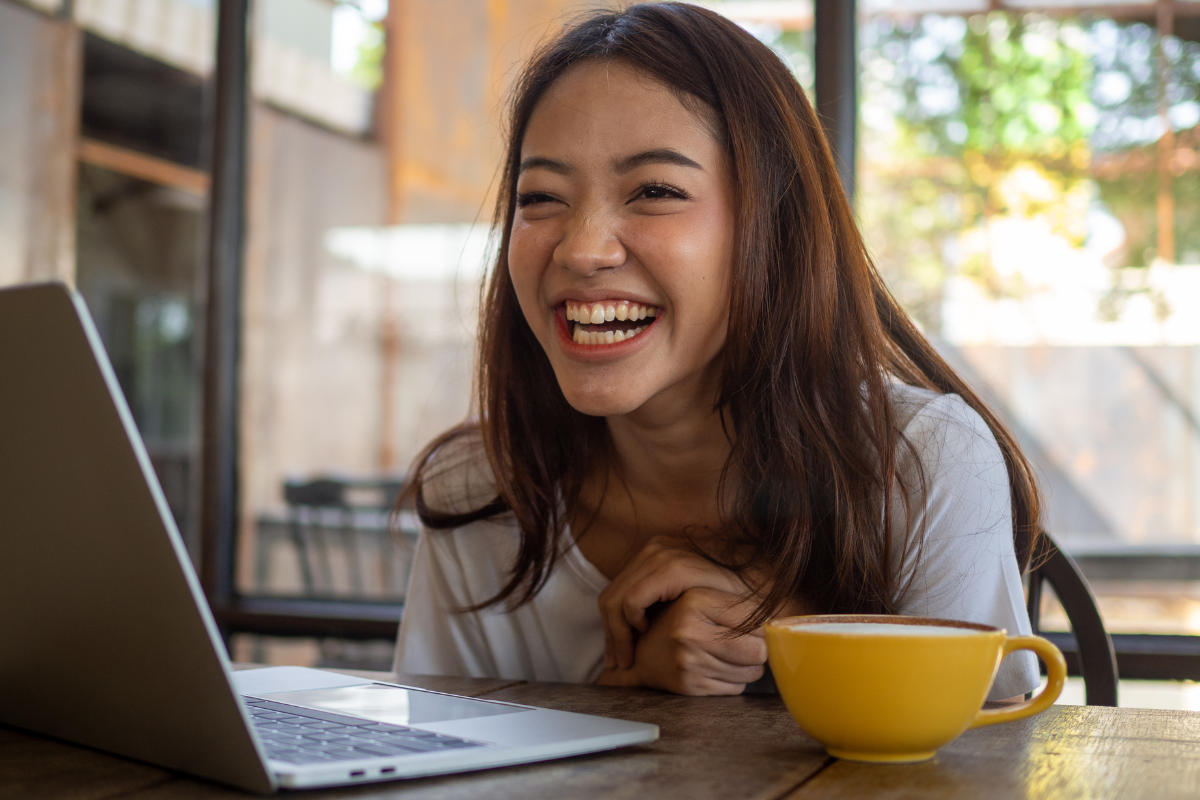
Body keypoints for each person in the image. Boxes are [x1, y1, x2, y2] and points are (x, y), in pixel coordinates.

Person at [393, 2, 1042, 701]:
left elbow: (987, 761)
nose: (582, 250)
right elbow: (430, 762)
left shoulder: (921, 462)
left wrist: (788, 639)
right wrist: (629, 688)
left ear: (773, 228)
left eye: (655, 191)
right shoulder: (484, 490)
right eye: (542, 197)